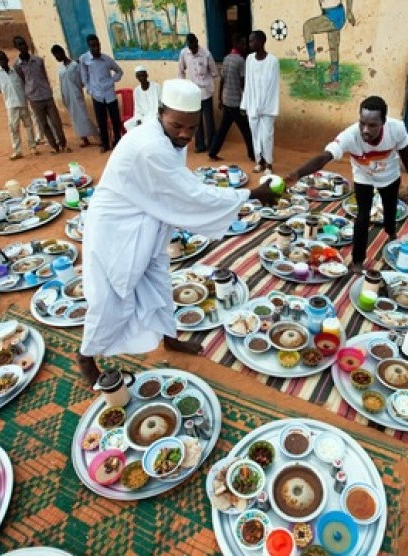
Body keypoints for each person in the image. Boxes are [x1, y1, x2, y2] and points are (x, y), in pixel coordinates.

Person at [77, 79, 277, 384]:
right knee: (111, 299)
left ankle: (169, 338)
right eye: (177, 125)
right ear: (160, 114)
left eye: (192, 128)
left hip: (148, 224)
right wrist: (250, 195)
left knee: (158, 284)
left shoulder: (168, 138)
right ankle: (87, 357)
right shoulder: (150, 146)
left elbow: (177, 187)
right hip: (117, 231)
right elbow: (192, 196)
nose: (184, 134)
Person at [284, 96, 408, 274]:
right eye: (362, 123)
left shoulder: (397, 128)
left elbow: (406, 155)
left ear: (383, 122)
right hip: (363, 177)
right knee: (362, 216)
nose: (365, 130)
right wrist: (298, 173)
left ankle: (391, 232)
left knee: (390, 210)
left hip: (390, 176)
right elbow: (324, 157)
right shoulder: (350, 135)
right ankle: (357, 260)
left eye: (372, 125)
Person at [13, 35, 69, 153]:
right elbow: (23, 80)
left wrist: (47, 88)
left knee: (56, 122)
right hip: (34, 98)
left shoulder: (38, 60)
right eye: (20, 44)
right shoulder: (17, 65)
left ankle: (63, 143)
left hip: (47, 95)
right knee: (43, 124)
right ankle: (54, 146)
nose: (23, 46)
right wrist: (29, 92)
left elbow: (44, 75)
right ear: (16, 47)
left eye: (24, 43)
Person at [208, 34, 254, 163]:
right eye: (243, 44)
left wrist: (220, 98)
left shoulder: (226, 58)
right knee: (246, 130)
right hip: (236, 102)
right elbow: (242, 82)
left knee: (223, 129)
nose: (245, 47)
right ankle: (252, 155)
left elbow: (222, 80)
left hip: (227, 99)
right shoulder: (240, 61)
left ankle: (213, 152)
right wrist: (248, 99)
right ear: (237, 44)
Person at [242, 30, 280, 174]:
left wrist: (262, 106)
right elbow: (248, 84)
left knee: (267, 136)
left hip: (267, 107)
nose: (250, 44)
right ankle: (260, 162)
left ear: (262, 42)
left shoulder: (272, 61)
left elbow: (272, 86)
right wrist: (245, 104)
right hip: (252, 106)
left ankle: (269, 164)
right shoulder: (249, 59)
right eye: (249, 41)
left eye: (253, 41)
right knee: (256, 136)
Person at [0, 50, 39, 160]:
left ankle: (32, 146)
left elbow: (23, 83)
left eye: (3, 58)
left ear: (7, 59)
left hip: (22, 101)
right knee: (14, 128)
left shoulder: (16, 70)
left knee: (28, 125)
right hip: (11, 104)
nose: (2, 61)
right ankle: (17, 150)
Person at [79, 34, 124, 152]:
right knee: (101, 121)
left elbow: (119, 71)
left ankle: (117, 141)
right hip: (97, 95)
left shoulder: (107, 59)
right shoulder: (84, 59)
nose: (96, 48)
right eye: (93, 46)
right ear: (89, 46)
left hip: (110, 94)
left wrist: (112, 81)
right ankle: (105, 144)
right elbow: (84, 77)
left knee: (115, 120)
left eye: (97, 45)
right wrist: (89, 89)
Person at [298, 0, 356, 91]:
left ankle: (312, 61)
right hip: (334, 14)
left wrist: (349, 11)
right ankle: (335, 81)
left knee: (307, 27)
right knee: (333, 48)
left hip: (334, 16)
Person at [51, 44, 98, 148]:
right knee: (75, 120)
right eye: (55, 56)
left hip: (76, 94)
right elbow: (61, 83)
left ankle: (97, 137)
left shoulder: (75, 65)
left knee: (84, 117)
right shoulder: (60, 69)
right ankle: (84, 139)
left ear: (62, 52)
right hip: (67, 96)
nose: (57, 57)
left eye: (57, 54)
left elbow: (82, 79)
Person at [178, 34, 218, 153]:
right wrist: (182, 87)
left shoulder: (206, 54)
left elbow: (214, 72)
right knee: (196, 121)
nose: (193, 50)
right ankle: (200, 145)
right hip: (192, 93)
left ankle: (212, 145)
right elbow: (180, 71)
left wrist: (210, 86)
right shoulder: (184, 53)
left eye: (195, 46)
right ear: (188, 45)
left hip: (206, 91)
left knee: (209, 120)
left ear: (197, 42)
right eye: (191, 47)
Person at [124, 65, 160, 132]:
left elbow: (161, 103)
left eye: (143, 75)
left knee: (146, 125)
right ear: (137, 77)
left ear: (147, 75)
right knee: (127, 124)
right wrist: (138, 119)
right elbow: (137, 108)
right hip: (142, 116)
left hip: (155, 116)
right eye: (139, 76)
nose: (142, 78)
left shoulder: (156, 87)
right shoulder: (136, 90)